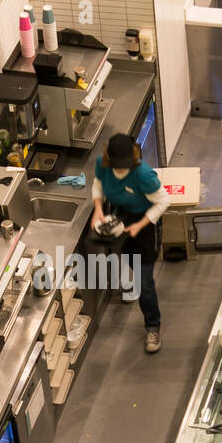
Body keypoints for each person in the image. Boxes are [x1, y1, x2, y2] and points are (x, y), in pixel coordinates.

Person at [92, 133, 168, 355]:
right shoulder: (102, 164)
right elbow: (97, 185)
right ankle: (128, 287)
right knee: (126, 261)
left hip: (144, 223)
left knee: (145, 282)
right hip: (120, 217)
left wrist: (140, 225)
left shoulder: (143, 174)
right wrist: (98, 209)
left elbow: (164, 201)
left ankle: (153, 326)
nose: (121, 170)